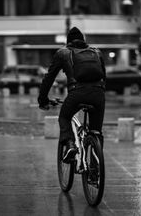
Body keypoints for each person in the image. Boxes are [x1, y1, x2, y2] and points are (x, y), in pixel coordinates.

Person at [38, 27, 106, 162]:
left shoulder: (63, 53)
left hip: (77, 93)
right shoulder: (97, 52)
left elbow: (49, 78)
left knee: (64, 116)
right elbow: (104, 76)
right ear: (83, 40)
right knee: (96, 132)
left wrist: (43, 100)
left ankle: (69, 144)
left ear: (68, 41)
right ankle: (94, 171)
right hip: (98, 94)